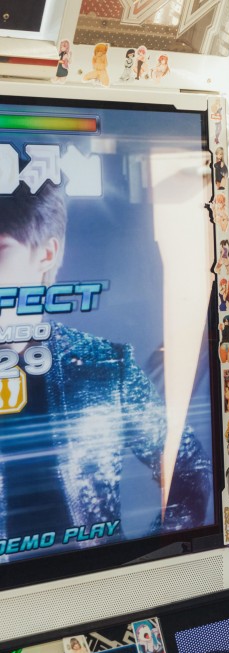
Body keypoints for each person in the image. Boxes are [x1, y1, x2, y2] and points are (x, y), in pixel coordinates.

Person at [0, 183, 211, 554]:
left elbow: (190, 469)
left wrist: (147, 562)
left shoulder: (104, 366)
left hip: (95, 594)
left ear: (46, 253)